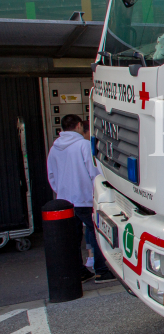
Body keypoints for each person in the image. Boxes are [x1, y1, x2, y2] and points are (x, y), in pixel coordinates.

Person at [46, 114, 114, 283]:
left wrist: (61, 191)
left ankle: (79, 271)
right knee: (97, 232)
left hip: (64, 201)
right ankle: (101, 270)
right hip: (84, 198)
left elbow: (51, 175)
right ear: (78, 125)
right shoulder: (83, 145)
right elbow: (94, 172)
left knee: (71, 238)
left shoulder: (54, 148)